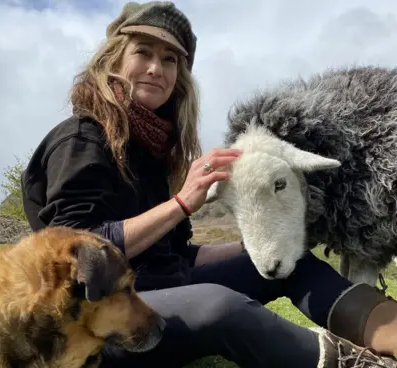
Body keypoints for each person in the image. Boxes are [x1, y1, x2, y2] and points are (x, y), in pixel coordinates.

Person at [20, 2, 397, 367]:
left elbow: (175, 254)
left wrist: (261, 242)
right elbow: (78, 256)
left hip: (156, 288)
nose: (156, 68)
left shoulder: (150, 150)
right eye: (143, 52)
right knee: (219, 306)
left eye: (170, 60)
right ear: (114, 59)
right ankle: (355, 365)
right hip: (95, 321)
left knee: (291, 263)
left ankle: (389, 332)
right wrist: (181, 204)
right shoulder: (80, 140)